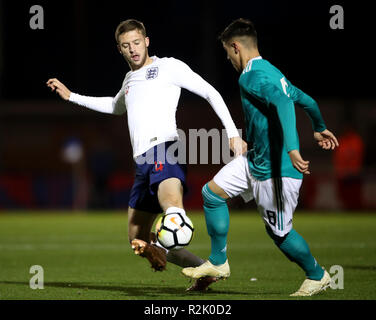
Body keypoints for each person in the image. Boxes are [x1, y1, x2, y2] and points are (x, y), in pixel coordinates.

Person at [47, 19, 246, 291]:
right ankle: (204, 272)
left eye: (137, 43)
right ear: (119, 49)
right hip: (141, 162)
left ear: (147, 41)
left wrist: (232, 133)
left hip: (166, 148)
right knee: (137, 240)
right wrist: (72, 96)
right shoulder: (129, 80)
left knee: (172, 209)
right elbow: (115, 107)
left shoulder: (169, 67)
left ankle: (179, 220)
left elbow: (210, 93)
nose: (133, 50)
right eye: (126, 46)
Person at [182, 18, 339, 297]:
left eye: (227, 53)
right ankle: (219, 262)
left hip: (277, 170)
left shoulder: (251, 75)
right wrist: (318, 126)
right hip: (255, 159)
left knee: (280, 234)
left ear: (235, 47)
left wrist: (292, 147)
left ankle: (317, 275)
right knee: (212, 194)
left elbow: (284, 102)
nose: (228, 59)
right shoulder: (271, 71)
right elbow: (306, 100)